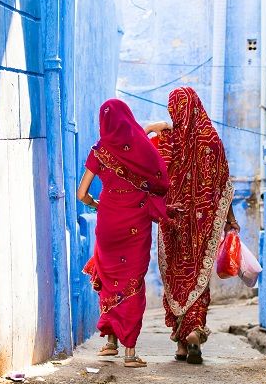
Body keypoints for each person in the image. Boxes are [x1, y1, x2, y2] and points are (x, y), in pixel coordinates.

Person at [145, 87, 239, 364]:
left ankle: (181, 344)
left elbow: (151, 169)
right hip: (204, 224)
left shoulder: (169, 141)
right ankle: (194, 331)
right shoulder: (212, 141)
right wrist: (230, 219)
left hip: (172, 220)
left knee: (176, 277)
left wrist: (160, 126)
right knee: (198, 277)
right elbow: (224, 186)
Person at [77, 99, 169, 368]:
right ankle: (130, 352)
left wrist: (97, 204)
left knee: (109, 278)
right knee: (132, 280)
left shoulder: (99, 151)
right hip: (135, 222)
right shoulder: (140, 145)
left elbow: (82, 194)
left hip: (108, 221)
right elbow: (160, 180)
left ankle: (110, 343)